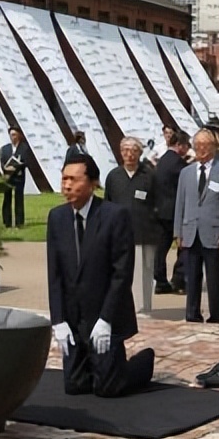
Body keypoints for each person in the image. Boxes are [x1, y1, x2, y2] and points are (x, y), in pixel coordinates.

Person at [47, 154, 155, 397]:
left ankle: (143, 362)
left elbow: (121, 273)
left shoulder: (114, 216)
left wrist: (106, 319)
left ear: (93, 182)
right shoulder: (57, 218)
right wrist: (59, 321)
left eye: (73, 179)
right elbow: (54, 274)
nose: (66, 185)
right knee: (75, 387)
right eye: (64, 179)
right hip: (74, 320)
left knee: (108, 388)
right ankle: (91, 360)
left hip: (105, 317)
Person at [174, 128, 219, 323]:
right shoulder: (186, 172)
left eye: (205, 145)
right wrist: (178, 231)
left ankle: (216, 316)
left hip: (214, 233)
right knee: (192, 278)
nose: (201, 149)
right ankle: (192, 314)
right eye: (197, 145)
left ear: (213, 147)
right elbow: (180, 204)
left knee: (214, 280)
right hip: (191, 232)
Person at [104, 137, 160, 314]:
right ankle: (121, 308)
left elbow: (158, 203)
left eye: (133, 151)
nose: (129, 155)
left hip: (144, 233)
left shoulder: (149, 175)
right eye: (125, 150)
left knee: (144, 271)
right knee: (119, 273)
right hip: (119, 234)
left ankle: (143, 308)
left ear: (139, 153)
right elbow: (107, 204)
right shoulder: (113, 176)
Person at [153, 131, 190, 295]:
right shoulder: (178, 164)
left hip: (160, 210)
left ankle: (160, 280)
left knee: (161, 248)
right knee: (184, 246)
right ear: (180, 145)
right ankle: (179, 279)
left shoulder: (162, 161)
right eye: (187, 146)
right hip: (175, 211)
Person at [0, 127, 30, 228]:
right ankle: (7, 222)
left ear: (19, 136)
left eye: (14, 135)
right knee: (7, 199)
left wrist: (15, 167)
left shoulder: (24, 148)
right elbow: (2, 161)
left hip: (19, 177)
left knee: (19, 199)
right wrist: (6, 167)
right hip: (8, 177)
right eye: (11, 135)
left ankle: (19, 222)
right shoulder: (5, 149)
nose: (12, 137)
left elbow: (26, 162)